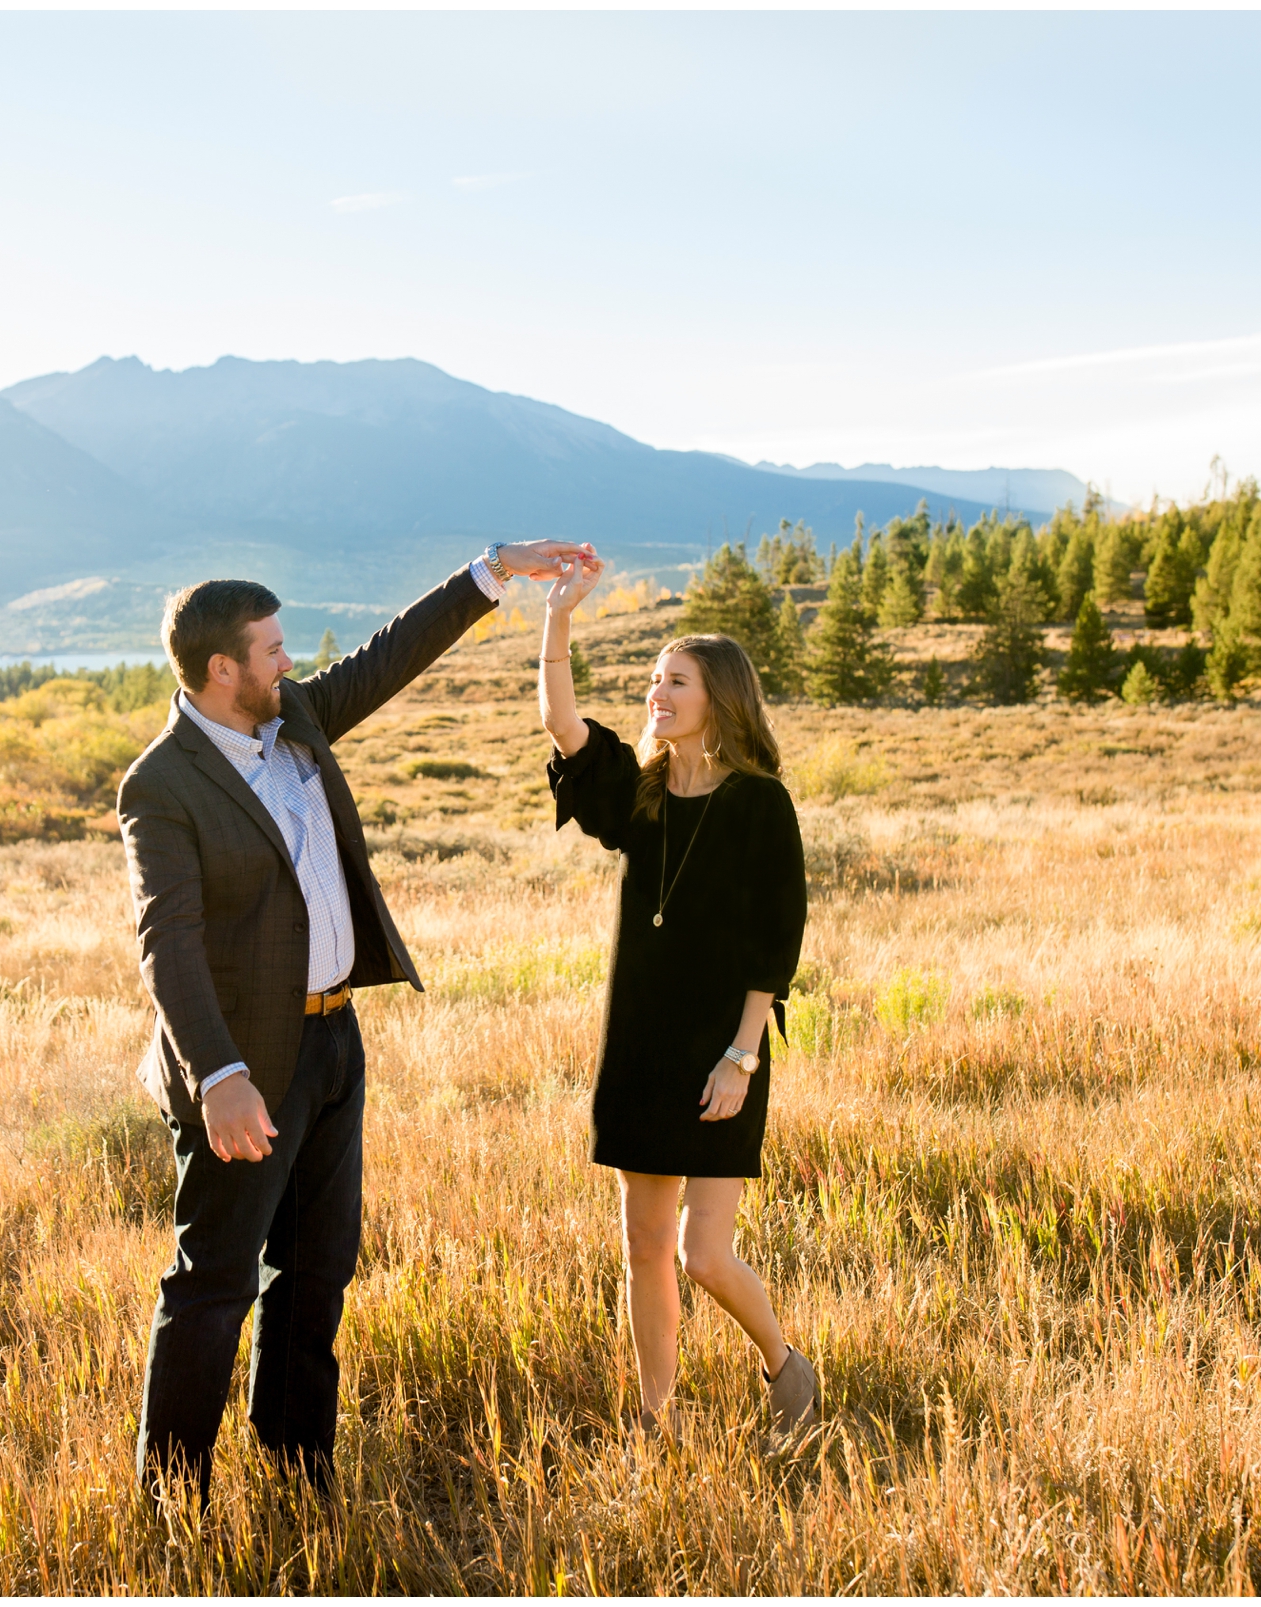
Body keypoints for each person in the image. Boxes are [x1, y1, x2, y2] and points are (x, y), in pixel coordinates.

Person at [120, 540, 601, 1506]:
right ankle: (172, 1499)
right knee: (214, 1282)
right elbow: (164, 944)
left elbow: (390, 656)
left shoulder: (296, 718)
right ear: (224, 670)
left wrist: (492, 571)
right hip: (246, 1067)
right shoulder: (161, 784)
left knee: (316, 1271)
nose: (291, 661)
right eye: (273, 649)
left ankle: (300, 1467)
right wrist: (218, 1075)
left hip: (335, 1042)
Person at [533, 555, 816, 1438]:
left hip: (721, 1051)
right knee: (644, 1245)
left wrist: (742, 1054)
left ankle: (785, 1364)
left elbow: (776, 941)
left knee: (701, 1253)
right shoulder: (640, 793)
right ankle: (655, 1418)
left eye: (676, 680)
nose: (658, 691)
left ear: (718, 697)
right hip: (642, 1048)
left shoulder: (760, 806)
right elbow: (563, 723)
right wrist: (559, 618)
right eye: (654, 677)